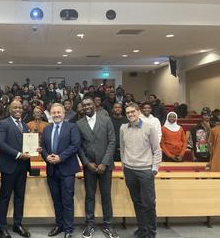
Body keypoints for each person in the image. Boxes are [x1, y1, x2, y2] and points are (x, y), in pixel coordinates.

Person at [76, 98, 118, 238]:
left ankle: (108, 225)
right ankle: (90, 224)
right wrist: (86, 163)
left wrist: (104, 163)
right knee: (90, 196)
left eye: (89, 104)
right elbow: (79, 146)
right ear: (81, 107)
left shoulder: (106, 120)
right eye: (84, 105)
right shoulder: (79, 124)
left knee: (106, 196)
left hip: (105, 166)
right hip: (90, 167)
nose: (86, 107)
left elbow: (112, 142)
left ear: (94, 105)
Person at [120, 102, 162, 238]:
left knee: (148, 203)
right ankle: (142, 228)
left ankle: (151, 232)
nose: (131, 114)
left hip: (145, 171)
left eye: (133, 112)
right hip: (129, 171)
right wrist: (124, 168)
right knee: (137, 202)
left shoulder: (149, 128)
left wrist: (154, 169)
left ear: (138, 112)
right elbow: (122, 149)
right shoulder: (123, 128)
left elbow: (157, 150)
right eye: (128, 113)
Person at [0, 100, 34, 238]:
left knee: (19, 197)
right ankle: (2, 227)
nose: (18, 109)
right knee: (5, 197)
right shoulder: (3, 123)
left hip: (22, 167)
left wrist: (35, 149)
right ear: (10, 109)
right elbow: (0, 144)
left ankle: (17, 224)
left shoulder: (24, 125)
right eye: (15, 107)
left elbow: (28, 144)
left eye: (20, 107)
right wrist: (18, 154)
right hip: (8, 166)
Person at [42, 103, 81, 238]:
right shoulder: (46, 129)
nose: (56, 115)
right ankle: (59, 225)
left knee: (67, 200)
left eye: (59, 112)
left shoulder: (72, 127)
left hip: (67, 169)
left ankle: (69, 230)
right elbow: (43, 147)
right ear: (50, 114)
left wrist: (60, 157)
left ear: (64, 114)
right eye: (54, 113)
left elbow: (75, 145)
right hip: (52, 169)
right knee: (56, 200)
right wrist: (46, 156)